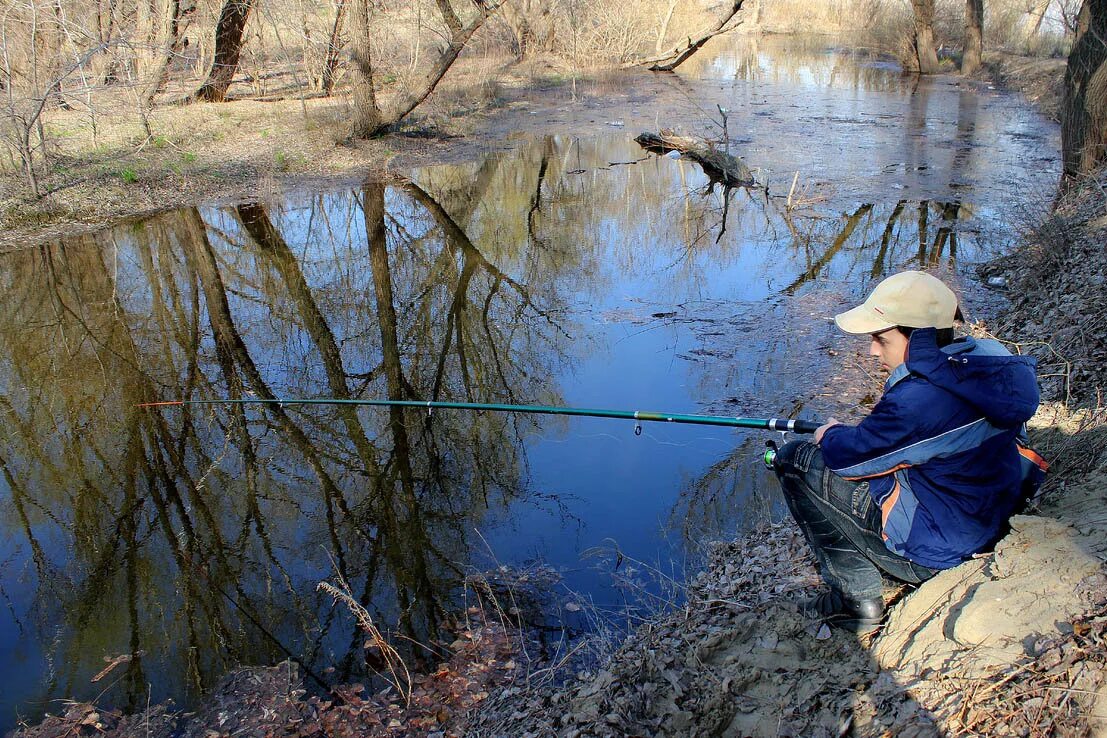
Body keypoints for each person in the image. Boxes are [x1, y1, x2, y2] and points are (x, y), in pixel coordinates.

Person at [772, 270, 1045, 632]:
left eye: (881, 339)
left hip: (938, 550)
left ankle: (856, 603)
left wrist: (831, 433)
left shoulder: (918, 401)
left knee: (794, 461)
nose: (872, 349)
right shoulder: (993, 359)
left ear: (920, 340)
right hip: (990, 517)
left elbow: (848, 460)